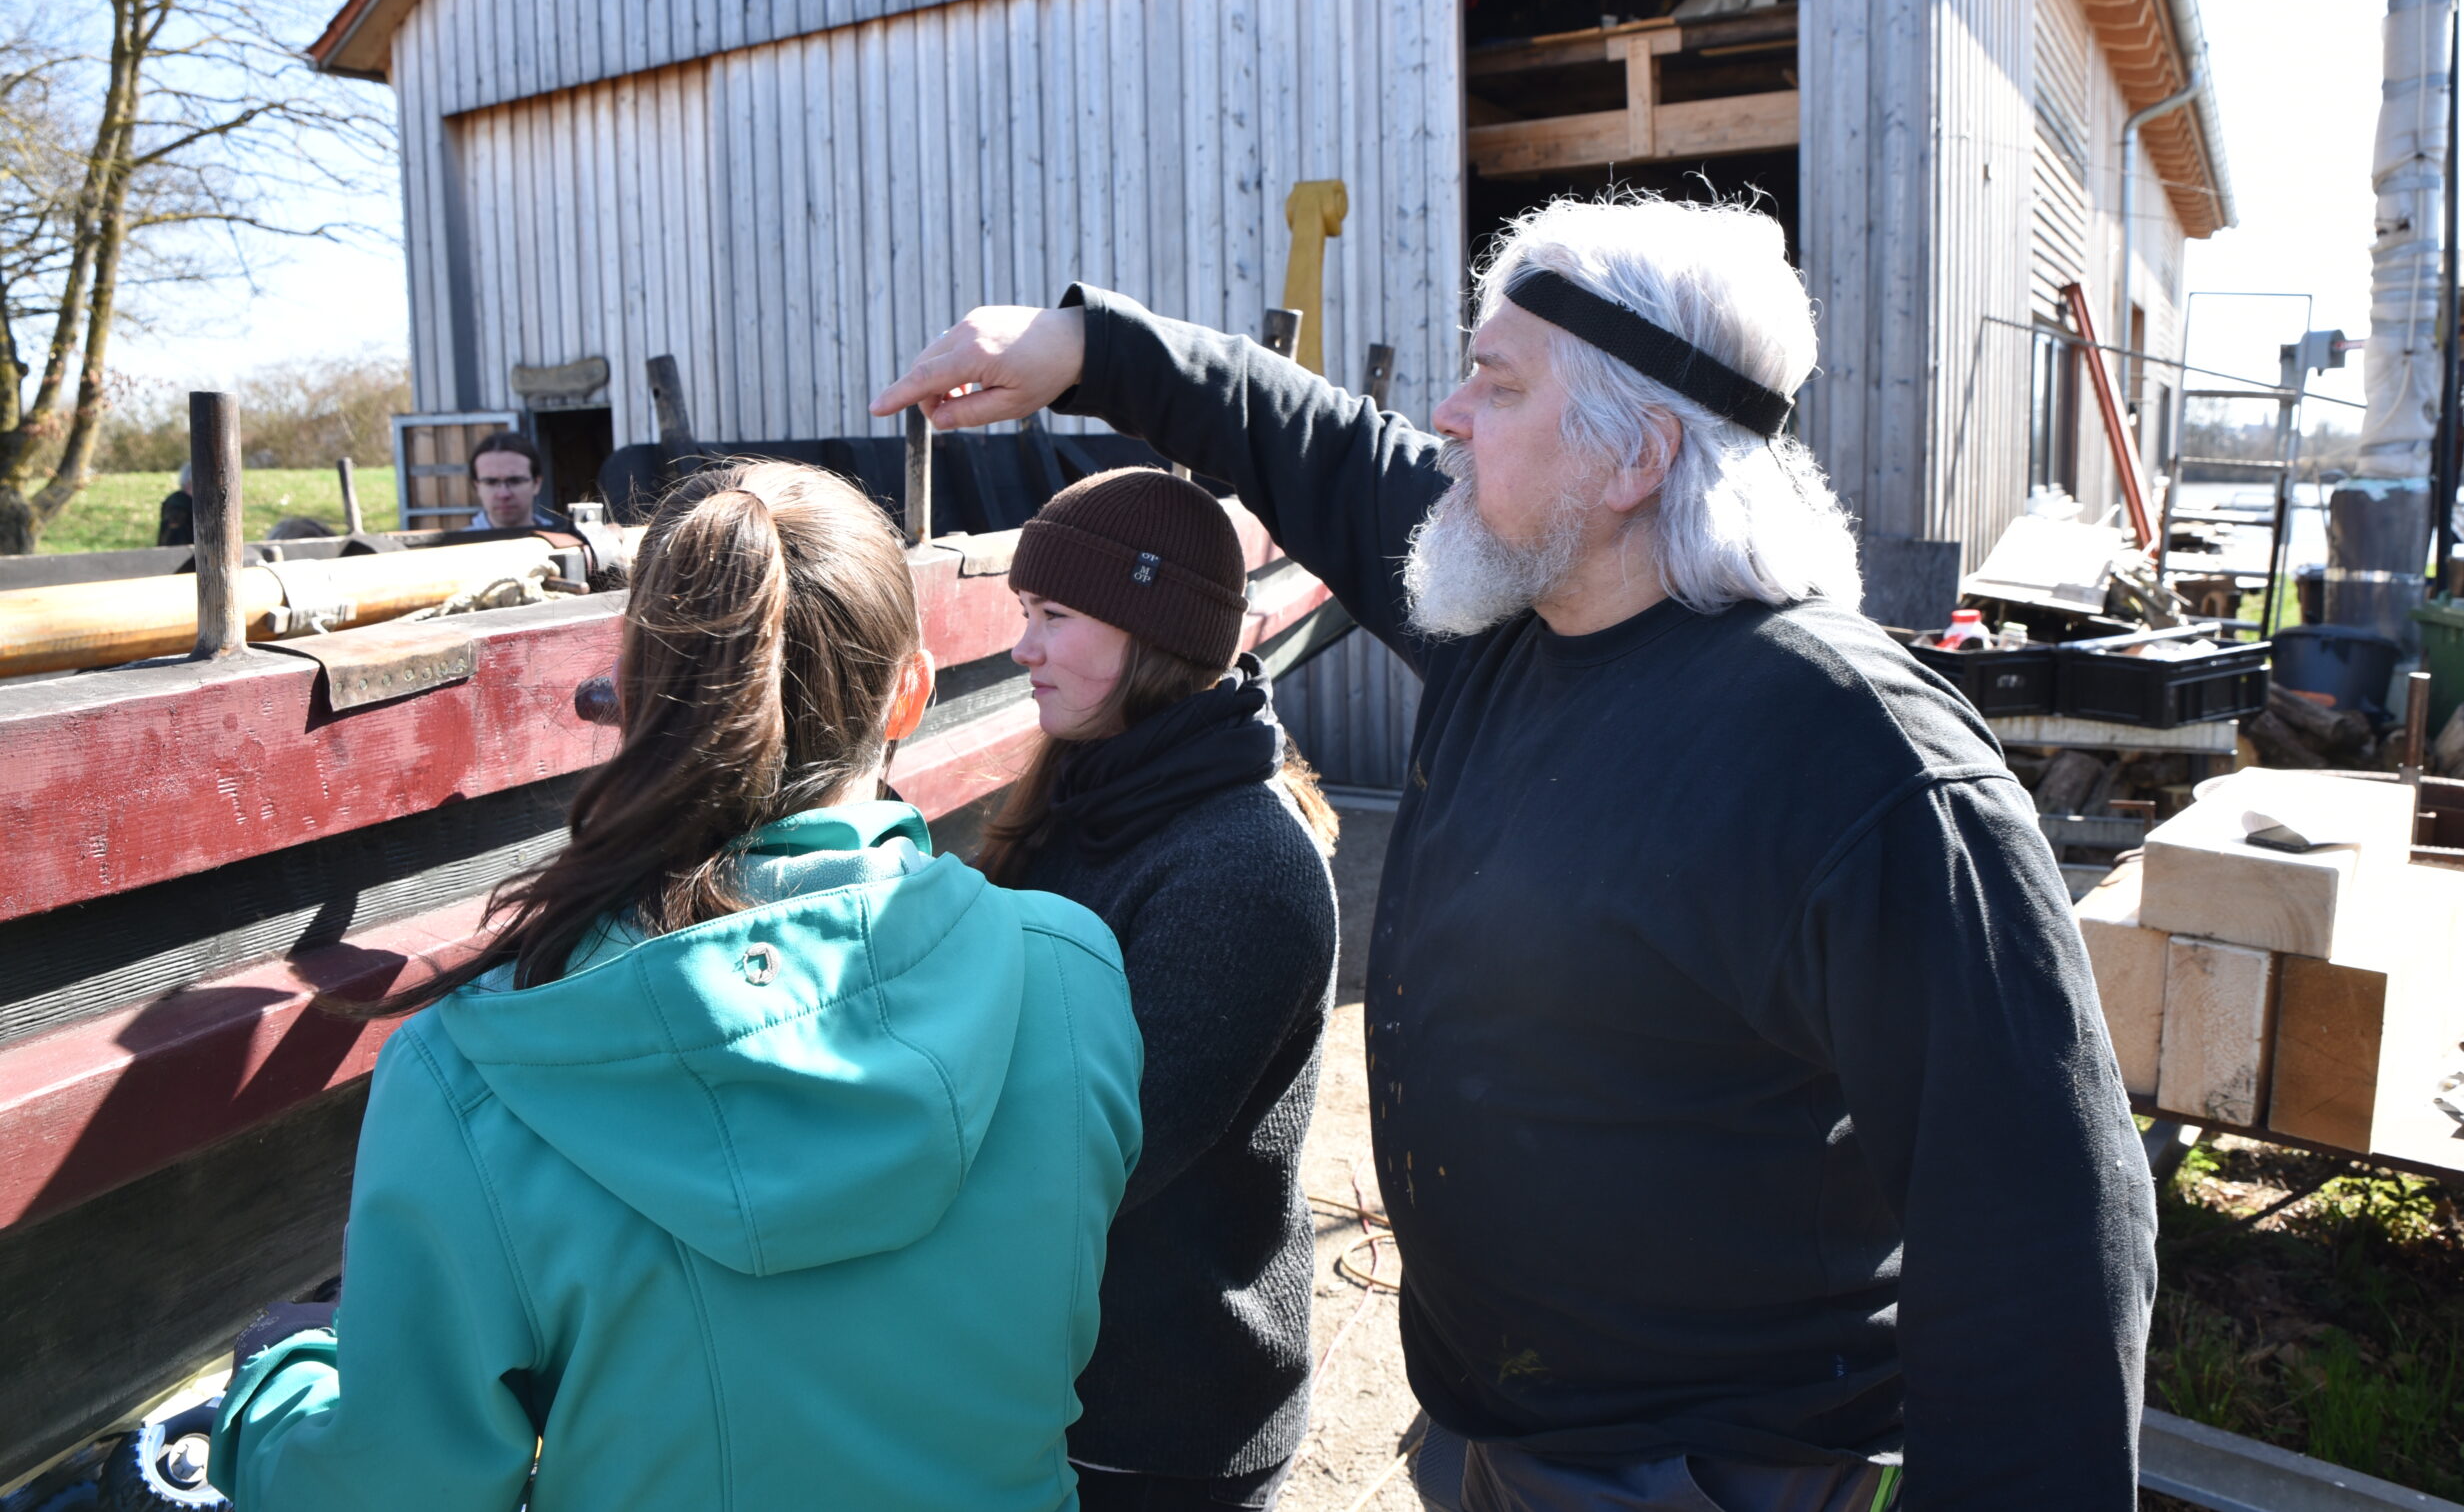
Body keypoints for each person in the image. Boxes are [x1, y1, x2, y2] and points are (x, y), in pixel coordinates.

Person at [874, 195, 2157, 1512]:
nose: (1445, 415)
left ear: (1634, 457)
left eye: (1493, 381)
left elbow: (2046, 1228)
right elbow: (1315, 446)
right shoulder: (1514, 627)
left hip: (1726, 1471)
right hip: (1500, 1441)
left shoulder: (1851, 757)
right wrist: (1090, 349)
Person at [210, 460, 1144, 1512]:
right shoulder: (1070, 969)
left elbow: (388, 1490)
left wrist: (272, 1383)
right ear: (913, 692)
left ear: (632, 700)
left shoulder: (471, 1063)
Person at [975, 467, 1340, 1512]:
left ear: (1153, 630)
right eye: (1022, 612)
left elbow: (1102, 1159)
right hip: (1065, 1377)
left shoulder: (1238, 866)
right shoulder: (1090, 784)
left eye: (1052, 615)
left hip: (1162, 1419)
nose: (1021, 646)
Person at [466, 429, 563, 529]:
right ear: (477, 487)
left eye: (515, 481)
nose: (503, 494)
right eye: (491, 482)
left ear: (536, 484)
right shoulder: (458, 544)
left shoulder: (566, 542)